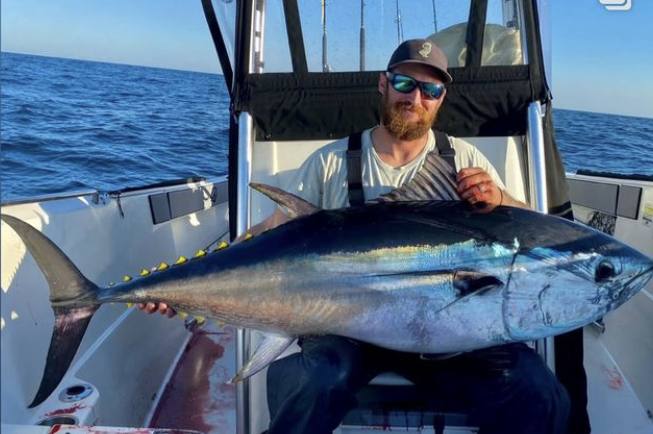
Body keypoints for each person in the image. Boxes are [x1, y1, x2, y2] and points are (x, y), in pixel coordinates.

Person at [140, 39, 571, 434]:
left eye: (430, 90)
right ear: (383, 84)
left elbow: (532, 233)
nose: (415, 98)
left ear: (441, 99)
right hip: (347, 328)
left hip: (450, 334)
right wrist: (185, 286)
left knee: (536, 390)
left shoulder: (464, 159)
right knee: (317, 380)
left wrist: (501, 198)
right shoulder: (331, 161)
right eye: (404, 83)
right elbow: (271, 233)